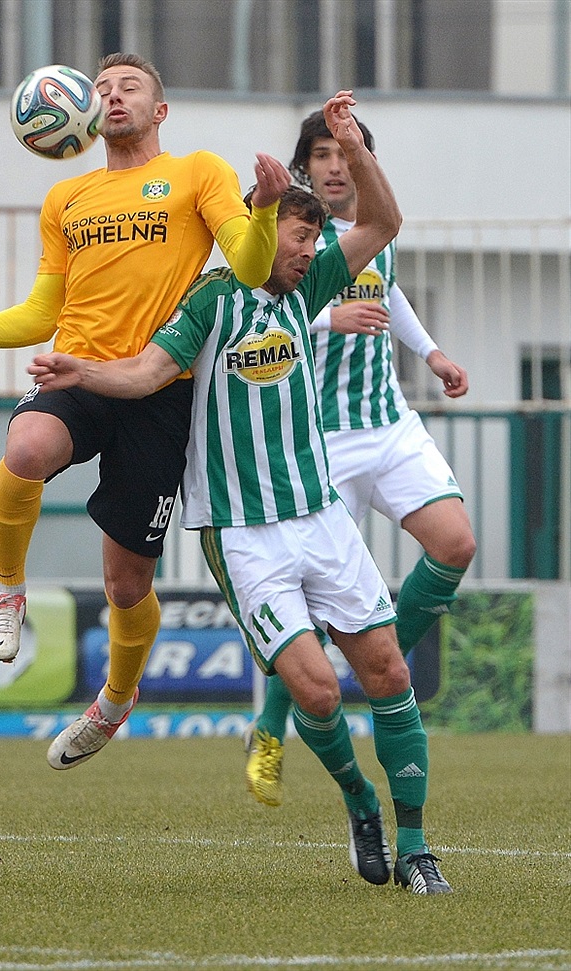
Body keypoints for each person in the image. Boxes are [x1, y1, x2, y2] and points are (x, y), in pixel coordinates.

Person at [29, 91, 452, 894]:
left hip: (321, 512)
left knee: (389, 672)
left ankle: (419, 844)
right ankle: (359, 800)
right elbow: (151, 372)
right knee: (317, 688)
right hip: (243, 531)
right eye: (301, 236)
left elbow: (383, 224)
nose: (313, 249)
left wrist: (354, 147)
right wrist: (80, 369)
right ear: (269, 234)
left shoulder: (307, 288)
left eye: (315, 239)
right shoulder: (212, 300)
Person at [0, 53, 289, 748]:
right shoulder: (66, 200)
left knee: (126, 585)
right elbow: (41, 312)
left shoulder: (198, 171)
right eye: (101, 87)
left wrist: (261, 211)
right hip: (75, 372)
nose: (112, 95)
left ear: (159, 110)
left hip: (159, 388)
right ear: (82, 111)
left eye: (128, 86)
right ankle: (9, 590)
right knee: (25, 447)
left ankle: (113, 701)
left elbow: (254, 268)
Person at [244, 110, 477, 813]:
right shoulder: (293, 239)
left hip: (388, 424)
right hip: (321, 441)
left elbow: (391, 290)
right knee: (309, 613)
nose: (338, 166)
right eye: (323, 155)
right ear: (304, 169)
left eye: (350, 152)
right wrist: (326, 316)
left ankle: (383, 675)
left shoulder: (379, 226)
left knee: (456, 542)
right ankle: (269, 726)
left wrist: (430, 352)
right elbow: (260, 308)